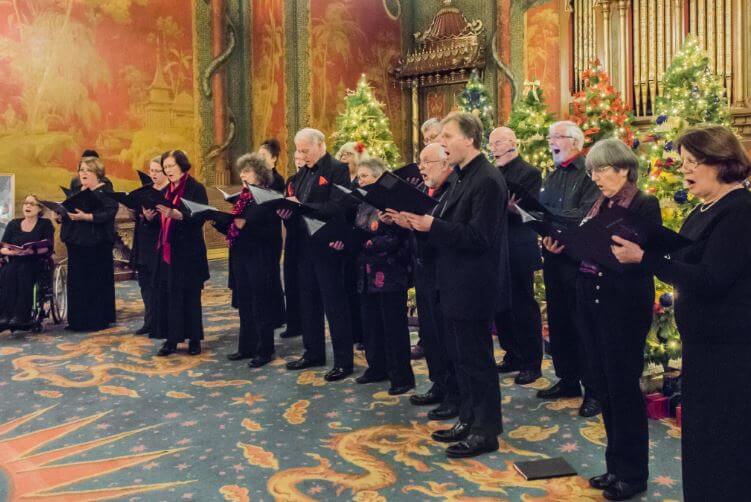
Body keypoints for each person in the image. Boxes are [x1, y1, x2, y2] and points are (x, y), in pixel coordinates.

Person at [611, 125, 751, 501]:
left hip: (730, 351)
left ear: (721, 162)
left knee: (724, 443)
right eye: (683, 162)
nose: (684, 170)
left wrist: (646, 259)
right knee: (701, 439)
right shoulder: (704, 209)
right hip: (703, 345)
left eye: (693, 162)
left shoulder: (740, 211)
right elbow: (682, 255)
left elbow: (711, 279)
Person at [544, 139, 659, 501]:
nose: (594, 178)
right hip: (592, 302)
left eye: (600, 170)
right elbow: (588, 244)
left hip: (622, 307)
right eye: (592, 171)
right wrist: (566, 244)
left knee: (624, 391)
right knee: (605, 387)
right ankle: (614, 467)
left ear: (623, 168)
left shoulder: (644, 203)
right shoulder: (600, 203)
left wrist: (601, 246)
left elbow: (641, 256)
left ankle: (633, 474)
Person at [399, 112, 505, 458]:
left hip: (473, 284)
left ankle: (485, 431)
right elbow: (446, 223)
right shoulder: (462, 177)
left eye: (447, 136)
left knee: (477, 361)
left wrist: (431, 226)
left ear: (470, 139)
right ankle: (469, 419)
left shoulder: (487, 179)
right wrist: (416, 223)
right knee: (461, 358)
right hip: (453, 281)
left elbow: (479, 237)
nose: (442, 143)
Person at [536, 120, 602, 418]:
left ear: (574, 141)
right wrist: (543, 228)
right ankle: (567, 379)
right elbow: (542, 209)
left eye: (556, 137)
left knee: (582, 325)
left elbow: (585, 214)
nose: (551, 142)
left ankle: (594, 391)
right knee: (560, 320)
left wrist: (549, 219)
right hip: (553, 256)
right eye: (550, 137)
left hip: (578, 259)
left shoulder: (589, 172)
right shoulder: (553, 174)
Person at [279, 128, 353, 382]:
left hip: (327, 246)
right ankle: (313, 352)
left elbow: (339, 205)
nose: (300, 154)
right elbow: (295, 204)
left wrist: (303, 207)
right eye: (298, 150)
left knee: (334, 305)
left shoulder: (338, 169)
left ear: (320, 145)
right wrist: (287, 212)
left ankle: (344, 361)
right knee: (307, 302)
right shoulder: (301, 174)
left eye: (305, 150)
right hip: (303, 246)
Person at [396, 142, 460, 420]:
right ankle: (438, 383)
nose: (420, 167)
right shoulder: (423, 190)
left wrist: (422, 225)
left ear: (446, 165)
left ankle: (454, 393)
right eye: (420, 161)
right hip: (423, 270)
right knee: (430, 332)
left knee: (448, 336)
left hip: (444, 271)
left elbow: (451, 232)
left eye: (427, 162)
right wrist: (403, 221)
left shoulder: (454, 190)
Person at [343, 157, 415, 395]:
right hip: (366, 270)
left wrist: (369, 241)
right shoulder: (363, 202)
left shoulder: (393, 200)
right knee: (371, 323)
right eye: (359, 176)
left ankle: (401, 377)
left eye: (365, 176)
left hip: (390, 271)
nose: (360, 180)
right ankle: (377, 368)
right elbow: (359, 228)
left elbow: (400, 237)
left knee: (393, 326)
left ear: (379, 178)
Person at [489, 127, 544, 385]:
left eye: (498, 142)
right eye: (491, 143)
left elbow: (533, 213)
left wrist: (514, 209)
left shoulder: (530, 173)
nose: (493, 147)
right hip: (496, 246)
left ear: (513, 143)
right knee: (500, 305)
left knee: (523, 305)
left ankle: (532, 363)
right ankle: (512, 354)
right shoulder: (492, 173)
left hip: (519, 245)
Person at [222, 153, 281, 368]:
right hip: (242, 255)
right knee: (245, 302)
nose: (242, 175)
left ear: (259, 174)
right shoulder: (244, 196)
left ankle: (265, 349)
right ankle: (246, 347)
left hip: (260, 257)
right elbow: (238, 224)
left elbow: (269, 231)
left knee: (260, 304)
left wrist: (243, 225)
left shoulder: (269, 196)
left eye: (247, 171)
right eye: (242, 171)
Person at [152, 150, 210, 356]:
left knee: (190, 296)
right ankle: (171, 340)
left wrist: (180, 216)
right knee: (170, 296)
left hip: (189, 252)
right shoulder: (166, 190)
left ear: (182, 166)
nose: (168, 171)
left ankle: (194, 339)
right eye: (165, 167)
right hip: (169, 251)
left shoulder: (196, 188)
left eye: (171, 166)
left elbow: (202, 216)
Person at [61, 155, 118, 332]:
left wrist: (87, 217)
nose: (83, 173)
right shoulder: (76, 191)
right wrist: (60, 215)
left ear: (98, 173)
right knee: (77, 282)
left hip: (97, 244)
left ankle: (96, 320)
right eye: (81, 170)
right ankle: (77, 321)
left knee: (94, 282)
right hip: (77, 242)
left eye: (88, 170)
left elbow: (109, 214)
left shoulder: (106, 192)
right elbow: (70, 213)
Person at [411, 117, 443, 360]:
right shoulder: (424, 182)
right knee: (427, 311)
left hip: (441, 262)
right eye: (426, 139)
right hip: (422, 259)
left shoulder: (452, 181)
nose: (428, 142)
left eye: (433, 137)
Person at [0, 195, 54, 331]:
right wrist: (13, 252)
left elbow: (48, 246)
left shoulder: (45, 224)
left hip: (36, 260)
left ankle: (22, 315)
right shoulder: (13, 223)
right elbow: (3, 246)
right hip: (15, 258)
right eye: (25, 203)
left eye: (31, 204)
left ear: (39, 209)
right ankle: (6, 315)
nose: (27, 206)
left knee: (24, 272)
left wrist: (30, 252)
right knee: (8, 272)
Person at [335, 141, 369, 350]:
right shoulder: (340, 179)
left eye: (348, 154)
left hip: (359, 238)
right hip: (343, 238)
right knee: (347, 286)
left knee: (358, 289)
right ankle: (354, 332)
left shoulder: (361, 180)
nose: (343, 158)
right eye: (341, 154)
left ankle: (364, 334)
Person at [130, 156, 169, 335]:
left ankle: (159, 322)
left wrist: (152, 218)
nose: (153, 174)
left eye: (157, 171)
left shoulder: (169, 191)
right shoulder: (145, 190)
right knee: (144, 284)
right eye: (151, 170)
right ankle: (149, 320)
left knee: (158, 285)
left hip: (160, 244)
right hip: (143, 243)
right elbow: (138, 215)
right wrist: (137, 213)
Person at [257, 138, 287, 330]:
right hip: (258, 232)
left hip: (270, 232)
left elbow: (272, 204)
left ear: (274, 159)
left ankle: (277, 316)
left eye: (263, 156)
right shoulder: (256, 177)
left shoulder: (277, 179)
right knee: (263, 275)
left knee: (271, 274)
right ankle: (271, 313)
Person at [278, 152, 305, 340]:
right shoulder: (291, 180)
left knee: (306, 284)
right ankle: (294, 322)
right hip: (293, 235)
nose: (299, 162)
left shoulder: (314, 179)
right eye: (296, 159)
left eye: (302, 159)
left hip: (308, 235)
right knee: (291, 280)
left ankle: (305, 323)